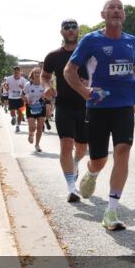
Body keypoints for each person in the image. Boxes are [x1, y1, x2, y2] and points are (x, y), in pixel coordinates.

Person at [64, 0, 135, 231]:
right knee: (99, 159)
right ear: (103, 14)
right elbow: (69, 70)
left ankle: (111, 210)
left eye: (120, 8)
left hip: (124, 105)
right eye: (111, 8)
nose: (116, 10)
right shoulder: (91, 40)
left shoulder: (132, 41)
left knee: (123, 151)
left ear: (123, 15)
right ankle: (92, 174)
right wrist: (84, 91)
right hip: (98, 108)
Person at [43, 18, 90, 203]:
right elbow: (45, 76)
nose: (70, 30)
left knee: (81, 148)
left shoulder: (88, 54)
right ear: (61, 32)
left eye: (73, 27)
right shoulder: (53, 56)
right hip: (63, 105)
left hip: (85, 106)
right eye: (66, 28)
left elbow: (99, 74)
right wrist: (46, 87)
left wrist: (90, 85)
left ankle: (76, 163)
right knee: (66, 144)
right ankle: (71, 187)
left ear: (78, 30)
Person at [23, 67, 47, 153]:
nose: (37, 74)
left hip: (41, 107)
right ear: (32, 74)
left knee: (40, 127)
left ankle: (37, 145)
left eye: (39, 72)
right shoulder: (28, 84)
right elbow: (22, 95)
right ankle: (31, 134)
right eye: (35, 72)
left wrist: (46, 96)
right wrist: (26, 100)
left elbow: (49, 96)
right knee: (32, 127)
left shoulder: (44, 84)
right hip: (30, 107)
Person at [4, 66, 29, 133]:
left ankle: (18, 126)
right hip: (11, 97)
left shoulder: (23, 80)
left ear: (20, 72)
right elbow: (6, 86)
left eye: (17, 72)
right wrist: (7, 87)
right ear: (13, 72)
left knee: (20, 113)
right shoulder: (9, 78)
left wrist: (22, 87)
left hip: (20, 97)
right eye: (15, 72)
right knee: (12, 110)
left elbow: (27, 89)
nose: (16, 73)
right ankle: (14, 117)